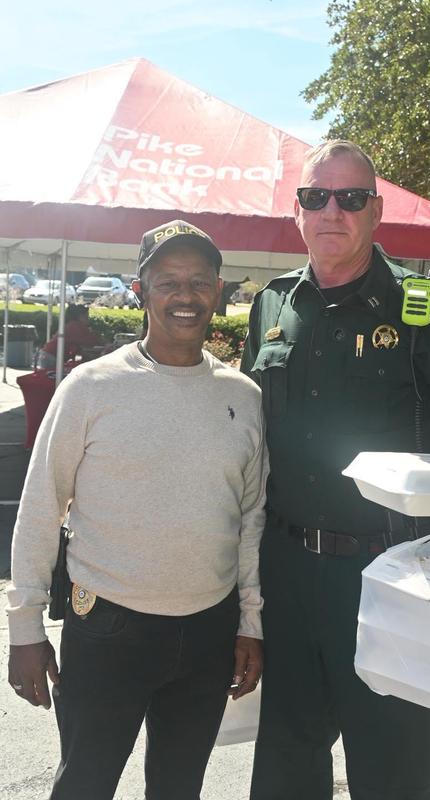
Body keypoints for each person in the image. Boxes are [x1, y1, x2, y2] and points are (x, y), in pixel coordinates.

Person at [240, 140, 430, 800]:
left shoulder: (422, 308)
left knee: (391, 770)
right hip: (288, 570)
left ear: (375, 211)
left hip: (390, 574)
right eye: (315, 197)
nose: (331, 211)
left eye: (350, 198)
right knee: (285, 766)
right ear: (296, 210)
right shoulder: (272, 305)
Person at [7, 219, 268, 800]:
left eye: (199, 282)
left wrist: (250, 623)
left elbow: (250, 520)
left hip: (208, 629)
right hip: (107, 628)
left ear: (218, 291)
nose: (185, 296)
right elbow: (40, 506)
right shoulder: (91, 388)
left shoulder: (242, 397)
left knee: (178, 789)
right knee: (85, 785)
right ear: (139, 290)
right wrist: (24, 627)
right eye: (169, 282)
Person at [36, 303, 105, 369]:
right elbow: (89, 341)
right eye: (85, 316)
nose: (88, 318)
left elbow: (78, 346)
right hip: (51, 356)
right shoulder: (75, 326)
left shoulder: (72, 325)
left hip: (49, 355)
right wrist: (102, 341)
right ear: (78, 316)